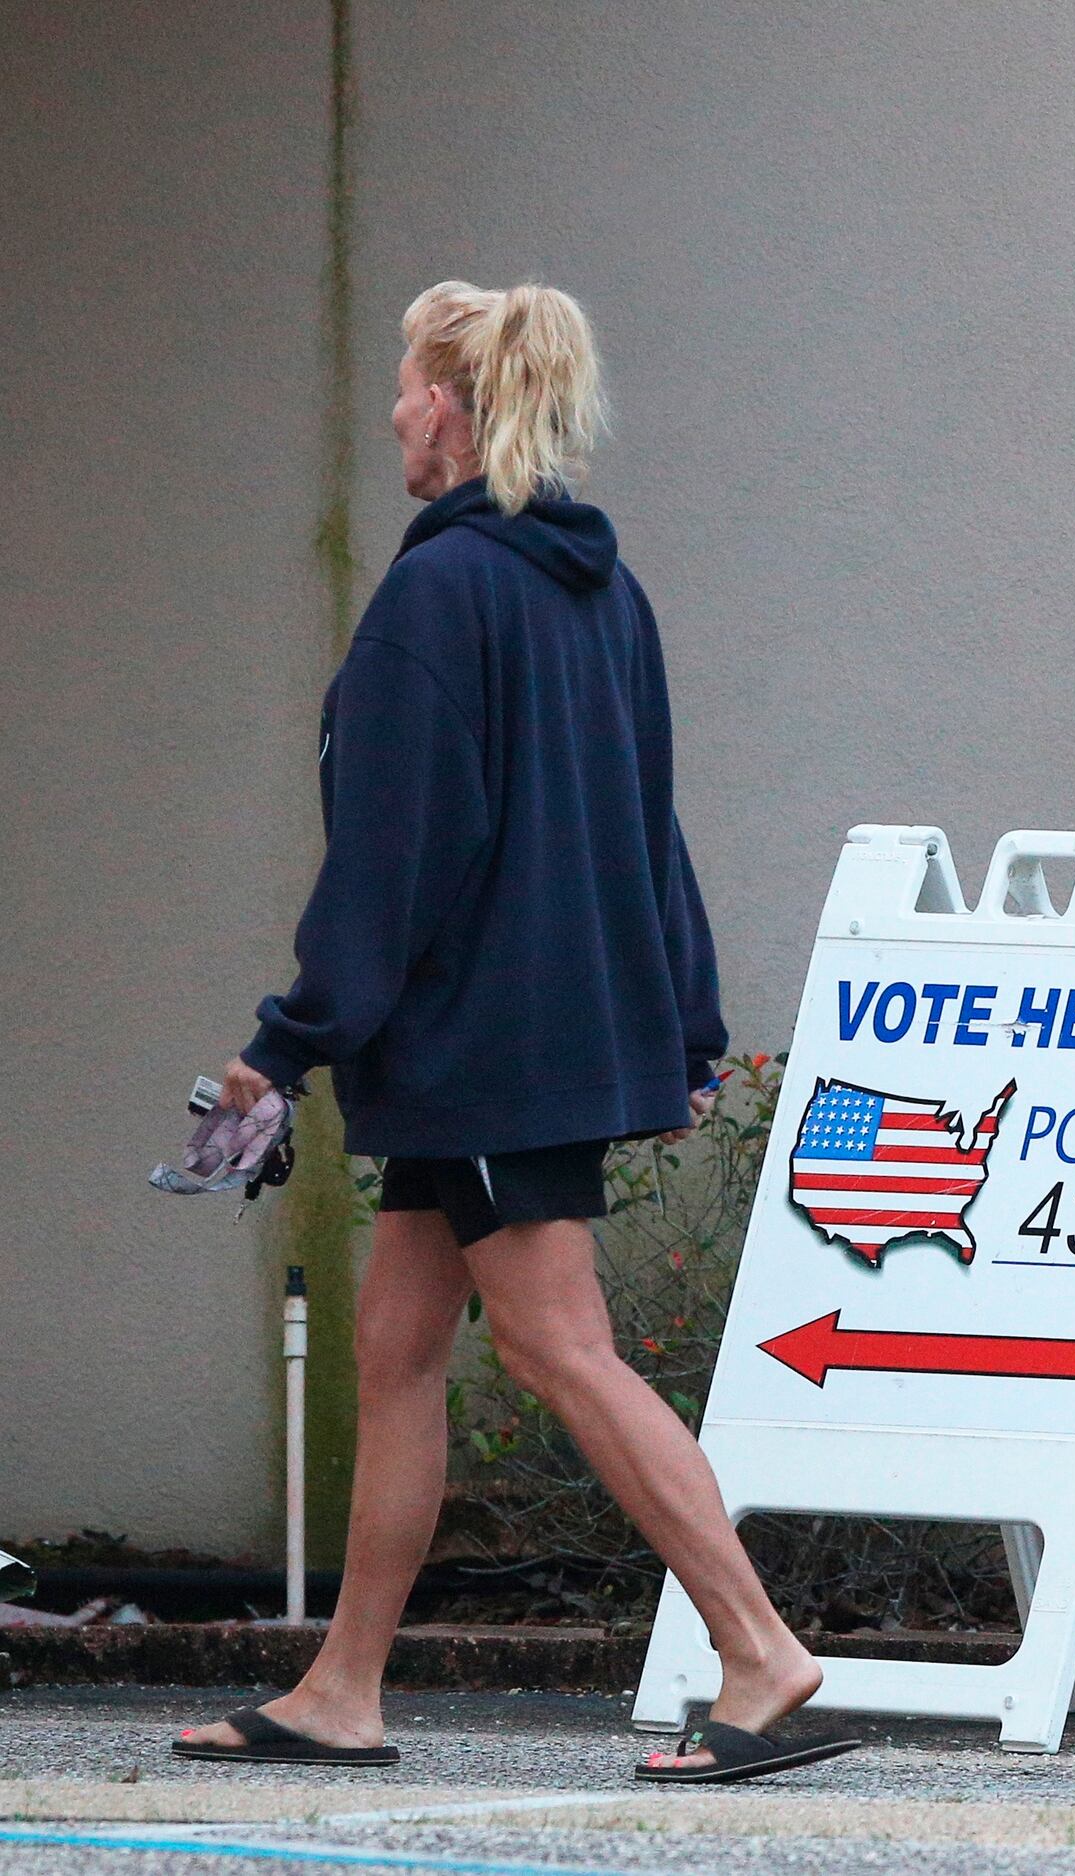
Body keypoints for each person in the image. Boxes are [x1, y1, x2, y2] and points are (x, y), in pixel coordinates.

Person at [177, 280, 843, 1784]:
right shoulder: (601, 592)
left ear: (459, 406)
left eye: (410, 389)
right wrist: (681, 1018)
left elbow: (393, 853)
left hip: (483, 1046)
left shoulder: (440, 593)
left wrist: (283, 1048)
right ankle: (345, 1689)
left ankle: (756, 1649)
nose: (397, 414)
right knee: (401, 1347)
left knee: (560, 1346)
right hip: (530, 1037)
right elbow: (646, 823)